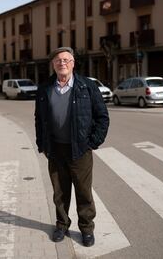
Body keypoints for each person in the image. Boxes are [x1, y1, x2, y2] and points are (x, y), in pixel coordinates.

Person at [35, 47, 109, 247]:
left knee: (83, 192)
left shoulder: (87, 86)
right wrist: (41, 144)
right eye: (58, 60)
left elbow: (102, 117)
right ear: (53, 64)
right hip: (55, 149)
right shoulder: (45, 88)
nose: (62, 63)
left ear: (73, 63)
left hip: (80, 150)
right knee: (60, 192)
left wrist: (93, 142)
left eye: (66, 60)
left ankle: (86, 229)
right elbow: (39, 118)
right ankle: (61, 225)